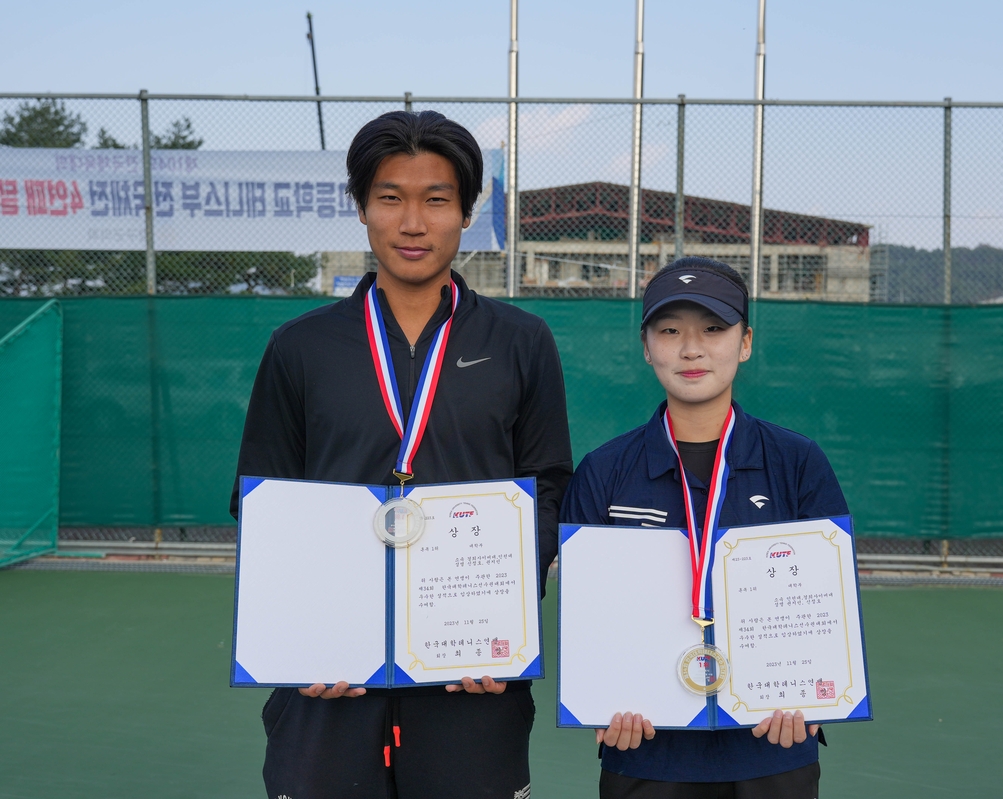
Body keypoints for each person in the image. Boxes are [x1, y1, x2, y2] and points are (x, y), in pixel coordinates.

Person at [231, 110, 573, 799]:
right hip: (328, 681)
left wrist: (501, 621)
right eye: (390, 198)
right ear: (361, 208)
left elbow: (548, 487)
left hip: (472, 677)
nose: (412, 222)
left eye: (436, 200)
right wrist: (303, 633)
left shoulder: (522, 341)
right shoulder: (300, 346)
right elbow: (260, 496)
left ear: (467, 212)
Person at [560, 257, 849, 799]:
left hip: (771, 744)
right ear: (647, 347)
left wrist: (813, 692)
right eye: (670, 331)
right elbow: (588, 615)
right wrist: (598, 696)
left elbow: (828, 605)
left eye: (714, 329)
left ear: (745, 342)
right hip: (647, 749)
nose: (691, 349)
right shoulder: (604, 471)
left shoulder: (798, 462)